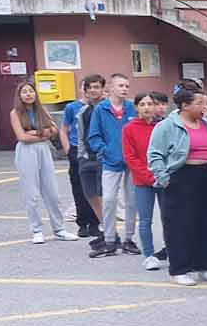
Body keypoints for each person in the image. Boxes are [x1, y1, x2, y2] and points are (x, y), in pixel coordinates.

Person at [149, 84, 207, 285]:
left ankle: (204, 265)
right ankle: (179, 269)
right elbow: (155, 154)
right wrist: (164, 178)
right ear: (185, 105)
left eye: (206, 103)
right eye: (199, 103)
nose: (204, 107)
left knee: (206, 221)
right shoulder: (167, 125)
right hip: (181, 176)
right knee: (179, 224)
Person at [10, 82, 76, 243]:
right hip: (26, 152)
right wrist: (42, 133)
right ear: (19, 96)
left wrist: (35, 132)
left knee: (52, 192)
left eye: (31, 91)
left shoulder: (42, 110)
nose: (28, 94)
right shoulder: (15, 113)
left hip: (43, 150)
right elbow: (22, 137)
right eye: (24, 92)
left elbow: (53, 130)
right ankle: (37, 230)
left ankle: (59, 229)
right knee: (31, 193)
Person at [89, 73, 137, 258]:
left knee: (132, 201)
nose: (124, 89)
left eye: (126, 86)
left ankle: (129, 239)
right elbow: (94, 136)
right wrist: (105, 150)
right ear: (110, 87)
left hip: (131, 161)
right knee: (109, 199)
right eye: (121, 85)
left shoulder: (132, 108)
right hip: (110, 161)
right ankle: (109, 239)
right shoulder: (101, 109)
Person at [122, 91, 166, 269]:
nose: (147, 108)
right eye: (142, 104)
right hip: (143, 181)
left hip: (164, 178)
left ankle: (171, 249)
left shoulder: (162, 126)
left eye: (150, 104)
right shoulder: (129, 128)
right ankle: (149, 255)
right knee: (145, 219)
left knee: (168, 217)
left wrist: (162, 175)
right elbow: (131, 157)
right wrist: (149, 177)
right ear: (136, 108)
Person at [63, 74, 104, 238]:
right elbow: (65, 129)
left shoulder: (102, 107)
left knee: (97, 190)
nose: (91, 90)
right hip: (78, 151)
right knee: (80, 189)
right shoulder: (74, 108)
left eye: (96, 87)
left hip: (97, 152)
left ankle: (95, 223)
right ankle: (82, 223)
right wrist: (68, 150)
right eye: (88, 87)